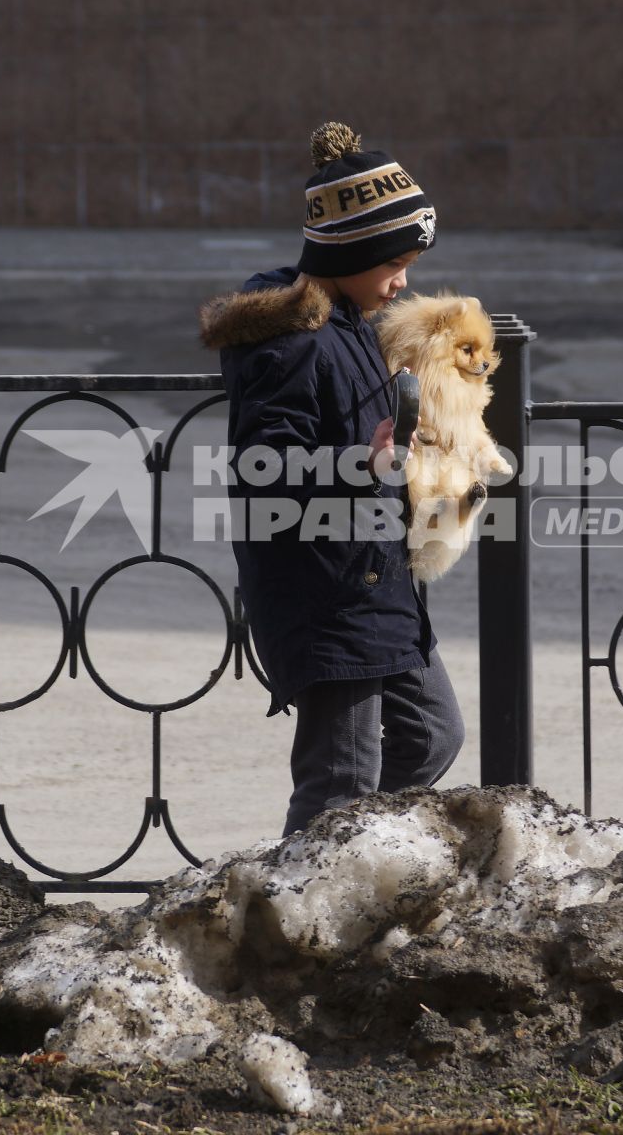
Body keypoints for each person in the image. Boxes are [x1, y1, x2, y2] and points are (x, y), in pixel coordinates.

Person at [197, 122, 462, 836]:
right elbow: (264, 471)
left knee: (431, 736)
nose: (403, 280)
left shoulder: (353, 325)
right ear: (354, 250)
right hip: (324, 587)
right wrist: (359, 464)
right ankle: (299, 917)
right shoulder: (292, 340)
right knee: (339, 780)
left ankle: (357, 865)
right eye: (394, 263)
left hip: (375, 578)